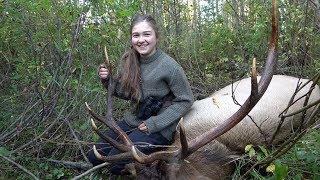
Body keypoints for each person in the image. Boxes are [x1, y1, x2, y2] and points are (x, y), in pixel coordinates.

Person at [87, 14, 194, 175]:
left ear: (156, 37)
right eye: (136, 35)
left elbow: (186, 100)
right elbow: (126, 93)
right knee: (94, 156)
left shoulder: (170, 67)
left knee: (114, 164)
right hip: (133, 121)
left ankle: (150, 169)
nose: (141, 40)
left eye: (147, 34)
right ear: (131, 38)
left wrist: (156, 123)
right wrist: (108, 80)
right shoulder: (131, 61)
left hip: (158, 128)